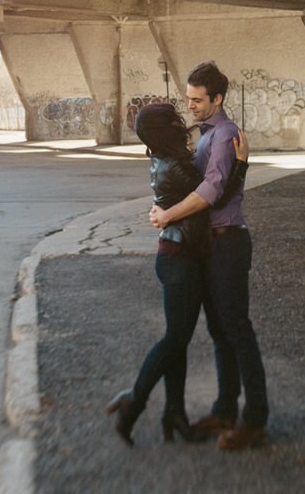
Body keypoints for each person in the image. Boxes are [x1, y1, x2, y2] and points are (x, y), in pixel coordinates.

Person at [105, 102, 248, 445]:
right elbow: (213, 197)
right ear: (165, 129)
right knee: (174, 340)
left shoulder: (164, 161)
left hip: (181, 256)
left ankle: (175, 413)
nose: (180, 121)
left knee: (178, 339)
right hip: (179, 260)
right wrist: (240, 165)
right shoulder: (177, 168)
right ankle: (134, 401)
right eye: (173, 120)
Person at [149, 60, 269, 450]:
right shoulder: (208, 135)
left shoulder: (225, 134)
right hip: (211, 244)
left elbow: (213, 190)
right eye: (189, 99)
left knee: (236, 329)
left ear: (218, 99)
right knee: (220, 332)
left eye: (198, 100)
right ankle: (224, 411)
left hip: (228, 242)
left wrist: (167, 214)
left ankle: (254, 420)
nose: (192, 107)